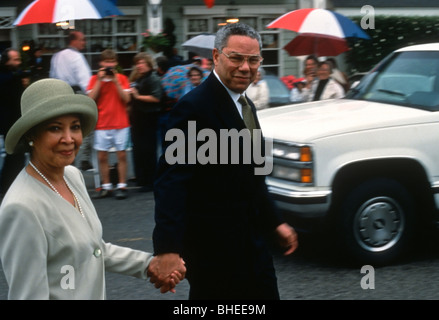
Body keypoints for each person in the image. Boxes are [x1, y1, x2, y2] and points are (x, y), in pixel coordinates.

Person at [149, 22, 298, 299]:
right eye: (236, 58)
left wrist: (275, 221)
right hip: (212, 250)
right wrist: (167, 249)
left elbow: (254, 174)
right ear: (217, 57)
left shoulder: (247, 105)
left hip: (253, 244)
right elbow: (171, 182)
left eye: (253, 60)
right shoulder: (193, 107)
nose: (245, 67)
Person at [0, 78, 185, 299]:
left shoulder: (72, 176)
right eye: (55, 128)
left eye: (75, 127)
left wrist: (149, 265)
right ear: (32, 135)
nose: (68, 139)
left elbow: (94, 250)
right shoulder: (21, 207)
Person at [87, 49, 131, 200]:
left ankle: (122, 185)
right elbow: (90, 99)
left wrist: (116, 81)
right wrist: (100, 80)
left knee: (122, 155)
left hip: (120, 122)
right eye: (106, 62)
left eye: (112, 62)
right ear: (101, 63)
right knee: (102, 157)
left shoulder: (122, 78)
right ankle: (106, 186)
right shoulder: (94, 79)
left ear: (116, 63)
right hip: (102, 122)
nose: (109, 65)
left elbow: (126, 99)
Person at [49, 31, 93, 172]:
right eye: (82, 40)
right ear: (73, 41)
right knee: (81, 127)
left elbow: (52, 77)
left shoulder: (56, 56)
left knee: (63, 127)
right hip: (76, 94)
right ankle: (82, 160)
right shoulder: (77, 57)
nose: (84, 42)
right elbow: (86, 82)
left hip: (59, 95)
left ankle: (65, 160)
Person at [129, 52, 163, 192]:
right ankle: (141, 176)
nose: (139, 66)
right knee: (138, 149)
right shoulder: (140, 77)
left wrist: (138, 96)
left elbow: (156, 98)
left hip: (148, 118)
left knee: (148, 150)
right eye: (137, 63)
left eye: (142, 63)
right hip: (138, 117)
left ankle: (149, 181)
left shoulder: (153, 78)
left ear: (148, 63)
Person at [0, 48, 26, 196]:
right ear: (6, 61)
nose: (19, 62)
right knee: (11, 157)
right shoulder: (8, 77)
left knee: (16, 157)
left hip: (14, 123)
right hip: (7, 123)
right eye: (15, 60)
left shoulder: (14, 76)